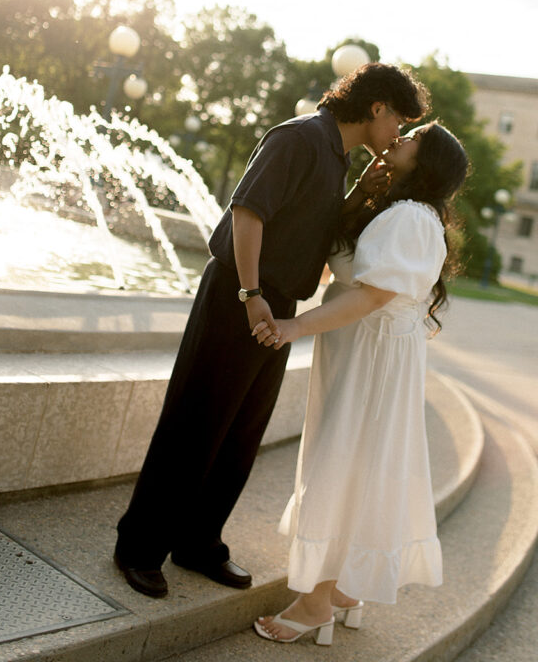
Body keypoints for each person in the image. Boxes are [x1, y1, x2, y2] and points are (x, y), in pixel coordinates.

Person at [114, 63, 429, 598]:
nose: (399, 132)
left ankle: (197, 543)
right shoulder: (300, 136)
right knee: (195, 422)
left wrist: (356, 196)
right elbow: (248, 212)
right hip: (240, 296)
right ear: (377, 107)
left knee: (239, 432)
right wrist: (251, 294)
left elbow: (312, 231)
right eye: (400, 118)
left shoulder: (338, 155)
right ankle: (139, 548)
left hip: (275, 303)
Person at [252, 120, 469, 645]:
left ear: (428, 161)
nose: (402, 135)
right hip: (359, 349)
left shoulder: (413, 218)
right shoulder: (394, 209)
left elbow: (372, 296)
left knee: (345, 463)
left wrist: (294, 326)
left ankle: (316, 603)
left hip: (372, 354)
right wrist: (364, 190)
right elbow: (342, 259)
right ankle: (345, 589)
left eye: (415, 135)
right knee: (353, 461)